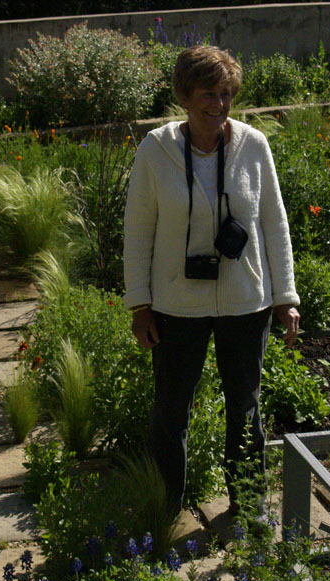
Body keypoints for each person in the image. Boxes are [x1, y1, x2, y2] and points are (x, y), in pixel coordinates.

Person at [123, 45, 300, 515]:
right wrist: (139, 304)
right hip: (176, 306)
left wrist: (285, 297)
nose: (218, 105)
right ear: (185, 95)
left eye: (225, 94)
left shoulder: (253, 145)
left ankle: (248, 509)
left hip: (245, 303)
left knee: (245, 410)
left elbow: (274, 225)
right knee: (170, 413)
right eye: (207, 94)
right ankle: (164, 512)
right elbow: (138, 230)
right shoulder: (156, 150)